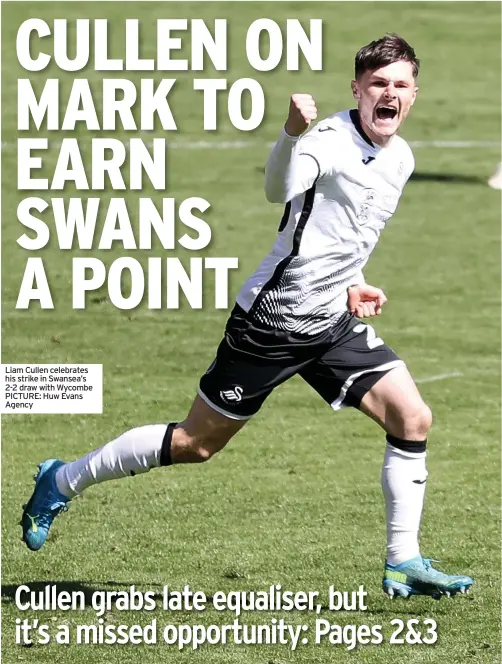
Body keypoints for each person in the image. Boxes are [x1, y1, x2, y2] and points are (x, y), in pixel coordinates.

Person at [21, 34, 473, 600]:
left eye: (400, 85)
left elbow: (350, 233)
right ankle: (60, 478)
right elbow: (277, 188)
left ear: (414, 95)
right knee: (196, 443)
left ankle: (402, 560)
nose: (389, 94)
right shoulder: (327, 142)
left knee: (412, 418)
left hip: (331, 322)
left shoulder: (400, 157)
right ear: (356, 89)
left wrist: (354, 284)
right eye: (377, 84)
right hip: (271, 323)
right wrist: (290, 133)